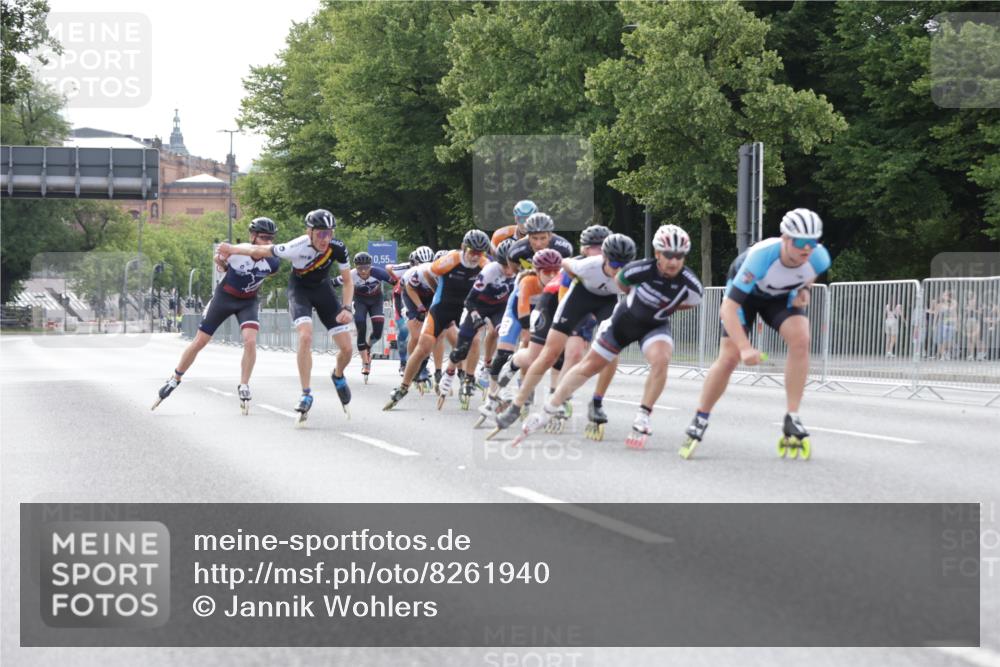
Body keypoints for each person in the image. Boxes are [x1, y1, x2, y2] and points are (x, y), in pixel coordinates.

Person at [517, 225, 703, 448]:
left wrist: (661, 309)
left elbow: (689, 303)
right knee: (588, 367)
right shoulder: (636, 270)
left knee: (661, 359)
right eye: (668, 255)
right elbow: (621, 284)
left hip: (654, 326)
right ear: (657, 254)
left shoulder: (691, 284)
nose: (674, 261)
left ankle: (643, 414)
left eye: (680, 256)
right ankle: (550, 407)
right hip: (623, 323)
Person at [680, 208, 831, 460]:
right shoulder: (761, 257)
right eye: (801, 242)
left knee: (801, 339)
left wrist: (805, 290)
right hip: (745, 298)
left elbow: (809, 276)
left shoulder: (819, 257)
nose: (807, 249)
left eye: (813, 242)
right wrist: (745, 348)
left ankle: (792, 417)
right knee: (729, 357)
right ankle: (700, 417)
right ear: (785, 238)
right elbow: (728, 308)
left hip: (779, 298)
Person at [490, 233, 637, 437]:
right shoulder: (587, 265)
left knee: (609, 350)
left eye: (624, 264)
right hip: (573, 297)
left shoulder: (632, 274)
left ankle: (596, 402)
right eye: (614, 263)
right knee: (548, 354)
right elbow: (564, 267)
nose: (618, 269)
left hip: (606, 302)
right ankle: (516, 405)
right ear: (604, 258)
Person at [217, 209, 354, 422]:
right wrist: (231, 249)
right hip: (300, 291)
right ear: (309, 232)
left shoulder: (337, 248)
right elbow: (260, 251)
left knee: (347, 348)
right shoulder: (296, 246)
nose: (325, 239)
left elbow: (348, 281)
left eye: (329, 233)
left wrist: (346, 308)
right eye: (320, 234)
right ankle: (306, 393)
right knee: (306, 336)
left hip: (324, 291)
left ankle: (337, 374)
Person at [152, 217, 281, 414]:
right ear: (252, 237)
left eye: (271, 238)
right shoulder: (238, 253)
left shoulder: (273, 261)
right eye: (264, 238)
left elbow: (269, 273)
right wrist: (221, 261)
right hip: (225, 298)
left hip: (248, 301)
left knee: (250, 341)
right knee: (200, 341)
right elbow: (219, 259)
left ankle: (244, 385)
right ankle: (175, 377)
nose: (268, 242)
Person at [384, 230, 493, 410]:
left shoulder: (485, 264)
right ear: (463, 248)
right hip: (441, 307)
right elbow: (428, 272)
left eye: (480, 253)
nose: (475, 256)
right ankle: (403, 387)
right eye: (472, 251)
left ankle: (468, 378)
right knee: (424, 346)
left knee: (473, 340)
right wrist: (437, 290)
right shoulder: (449, 260)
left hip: (465, 308)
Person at [438, 238, 517, 409]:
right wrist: (475, 317)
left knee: (505, 349)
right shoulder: (490, 270)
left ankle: (498, 388)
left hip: (500, 308)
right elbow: (469, 300)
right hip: (478, 306)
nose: (509, 271)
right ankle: (449, 372)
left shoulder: (523, 269)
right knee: (462, 349)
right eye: (505, 266)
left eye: (513, 266)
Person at [338, 251, 396, 382]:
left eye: (366, 268)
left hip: (376, 301)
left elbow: (397, 283)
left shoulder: (378, 273)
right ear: (355, 267)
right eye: (360, 268)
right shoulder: (351, 274)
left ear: (371, 266)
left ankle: (368, 347)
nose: (363, 271)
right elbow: (333, 282)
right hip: (360, 301)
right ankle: (365, 362)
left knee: (378, 332)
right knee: (360, 325)